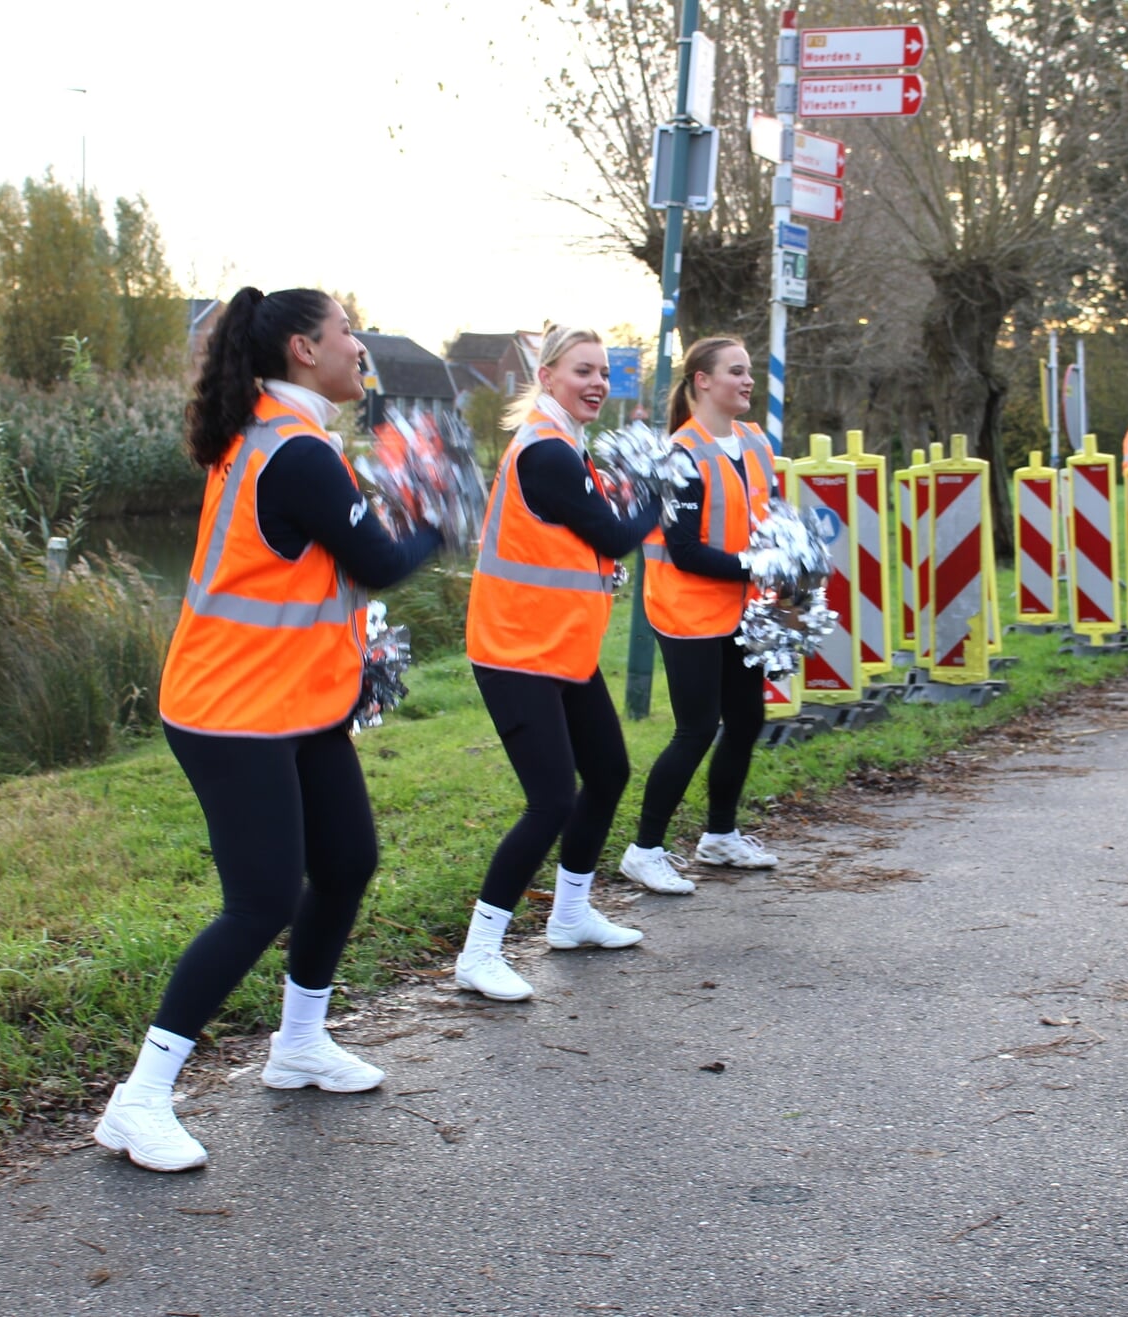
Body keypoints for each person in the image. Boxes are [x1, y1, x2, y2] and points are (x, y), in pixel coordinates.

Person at [95, 288, 443, 1173]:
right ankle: (138, 1100)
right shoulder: (294, 452)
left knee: (347, 860)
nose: (358, 345)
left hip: (291, 701)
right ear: (301, 348)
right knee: (261, 901)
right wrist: (439, 509)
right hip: (229, 709)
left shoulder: (282, 435)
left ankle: (297, 1044)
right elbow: (380, 561)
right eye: (345, 332)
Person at [455, 325, 662, 1001]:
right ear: (546, 377)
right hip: (515, 653)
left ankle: (570, 915)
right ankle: (479, 951)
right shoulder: (547, 453)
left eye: (603, 371)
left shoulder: (567, 447)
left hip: (557, 650)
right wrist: (656, 500)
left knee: (607, 770)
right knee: (550, 801)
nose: (597, 382)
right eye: (583, 371)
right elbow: (612, 532)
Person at [619, 338, 779, 895]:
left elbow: (769, 515)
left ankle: (719, 836)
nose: (748, 380)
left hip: (741, 609)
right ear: (702, 381)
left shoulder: (756, 441)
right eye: (737, 371)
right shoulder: (680, 453)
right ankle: (644, 850)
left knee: (746, 722)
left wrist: (788, 559)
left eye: (750, 371)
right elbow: (684, 549)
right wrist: (758, 565)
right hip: (686, 611)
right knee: (695, 730)